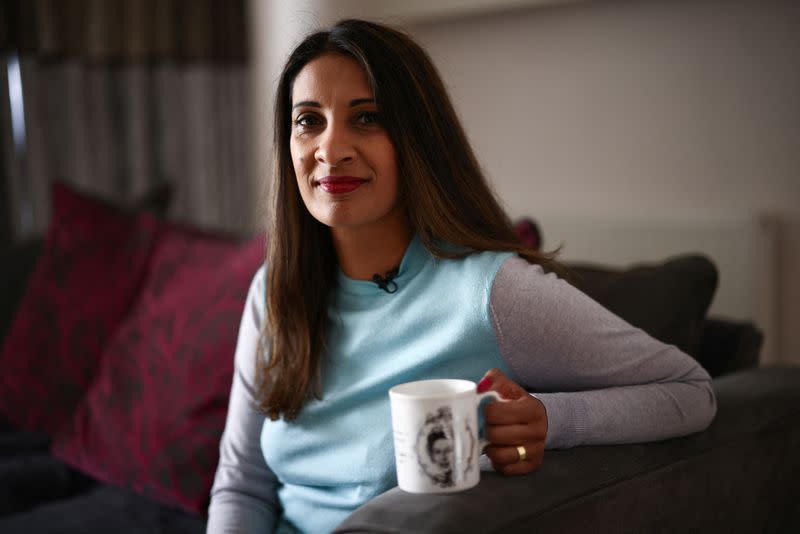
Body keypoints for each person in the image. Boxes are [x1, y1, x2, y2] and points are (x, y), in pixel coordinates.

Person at [207, 19, 716, 534]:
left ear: (418, 139)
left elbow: (692, 392)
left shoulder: (491, 293)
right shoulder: (275, 291)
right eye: (308, 120)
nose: (330, 147)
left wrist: (549, 419)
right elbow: (242, 481)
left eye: (367, 118)